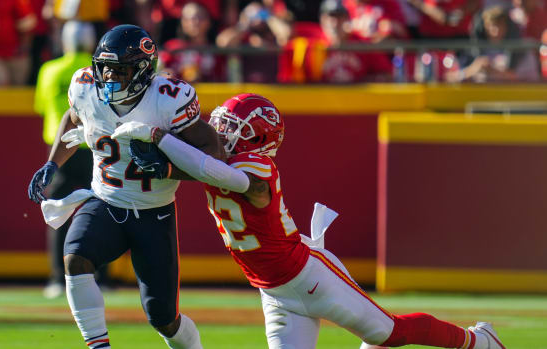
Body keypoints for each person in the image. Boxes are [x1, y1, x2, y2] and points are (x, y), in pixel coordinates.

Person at [112, 93, 507, 349]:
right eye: (222, 123)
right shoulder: (214, 162)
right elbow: (192, 167)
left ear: (255, 138)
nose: (220, 132)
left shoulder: (256, 166)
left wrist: (159, 138)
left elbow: (216, 174)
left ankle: (478, 340)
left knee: (391, 333)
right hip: (274, 292)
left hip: (308, 275)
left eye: (232, 128)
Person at [28, 24, 224, 349]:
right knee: (75, 257)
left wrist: (168, 166)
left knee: (164, 319)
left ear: (143, 70)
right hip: (105, 200)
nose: (109, 77)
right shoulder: (85, 88)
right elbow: (73, 118)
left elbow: (212, 154)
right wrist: (52, 162)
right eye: (104, 68)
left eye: (119, 70)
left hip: (153, 213)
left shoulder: (168, 100)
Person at [34, 20, 112, 299]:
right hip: (97, 146)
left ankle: (59, 277)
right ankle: (103, 277)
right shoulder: (100, 70)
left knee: (59, 212)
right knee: (107, 209)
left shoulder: (50, 70)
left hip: (61, 150)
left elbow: (41, 106)